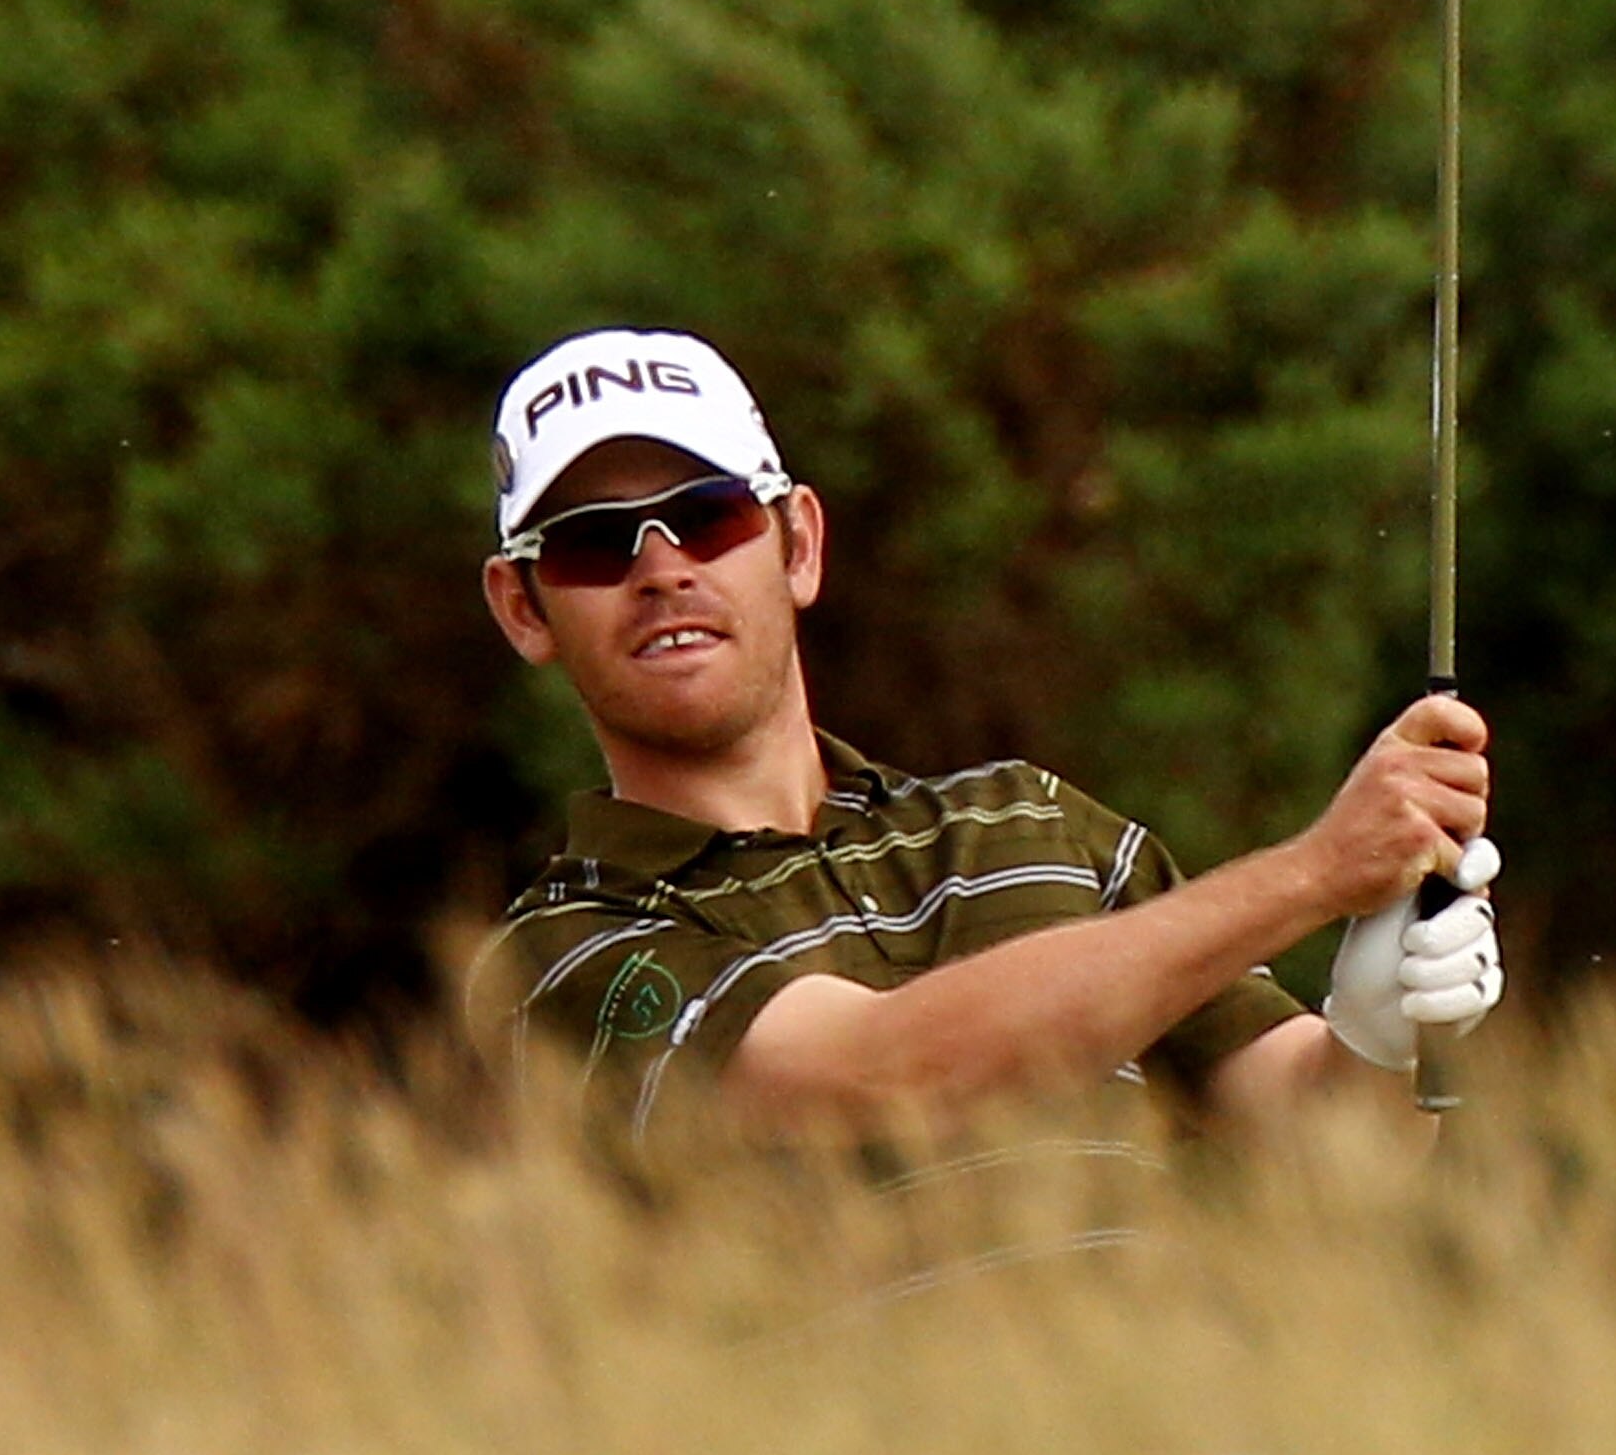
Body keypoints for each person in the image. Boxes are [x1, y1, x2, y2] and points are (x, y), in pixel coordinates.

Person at [465, 325, 1500, 1159]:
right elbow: (883, 1076)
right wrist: (1317, 875)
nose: (662, 569)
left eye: (709, 515)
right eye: (593, 543)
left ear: (800, 544)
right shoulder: (558, 956)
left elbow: (1320, 1148)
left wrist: (1372, 1041)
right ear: (523, 608)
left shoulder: (1029, 818)